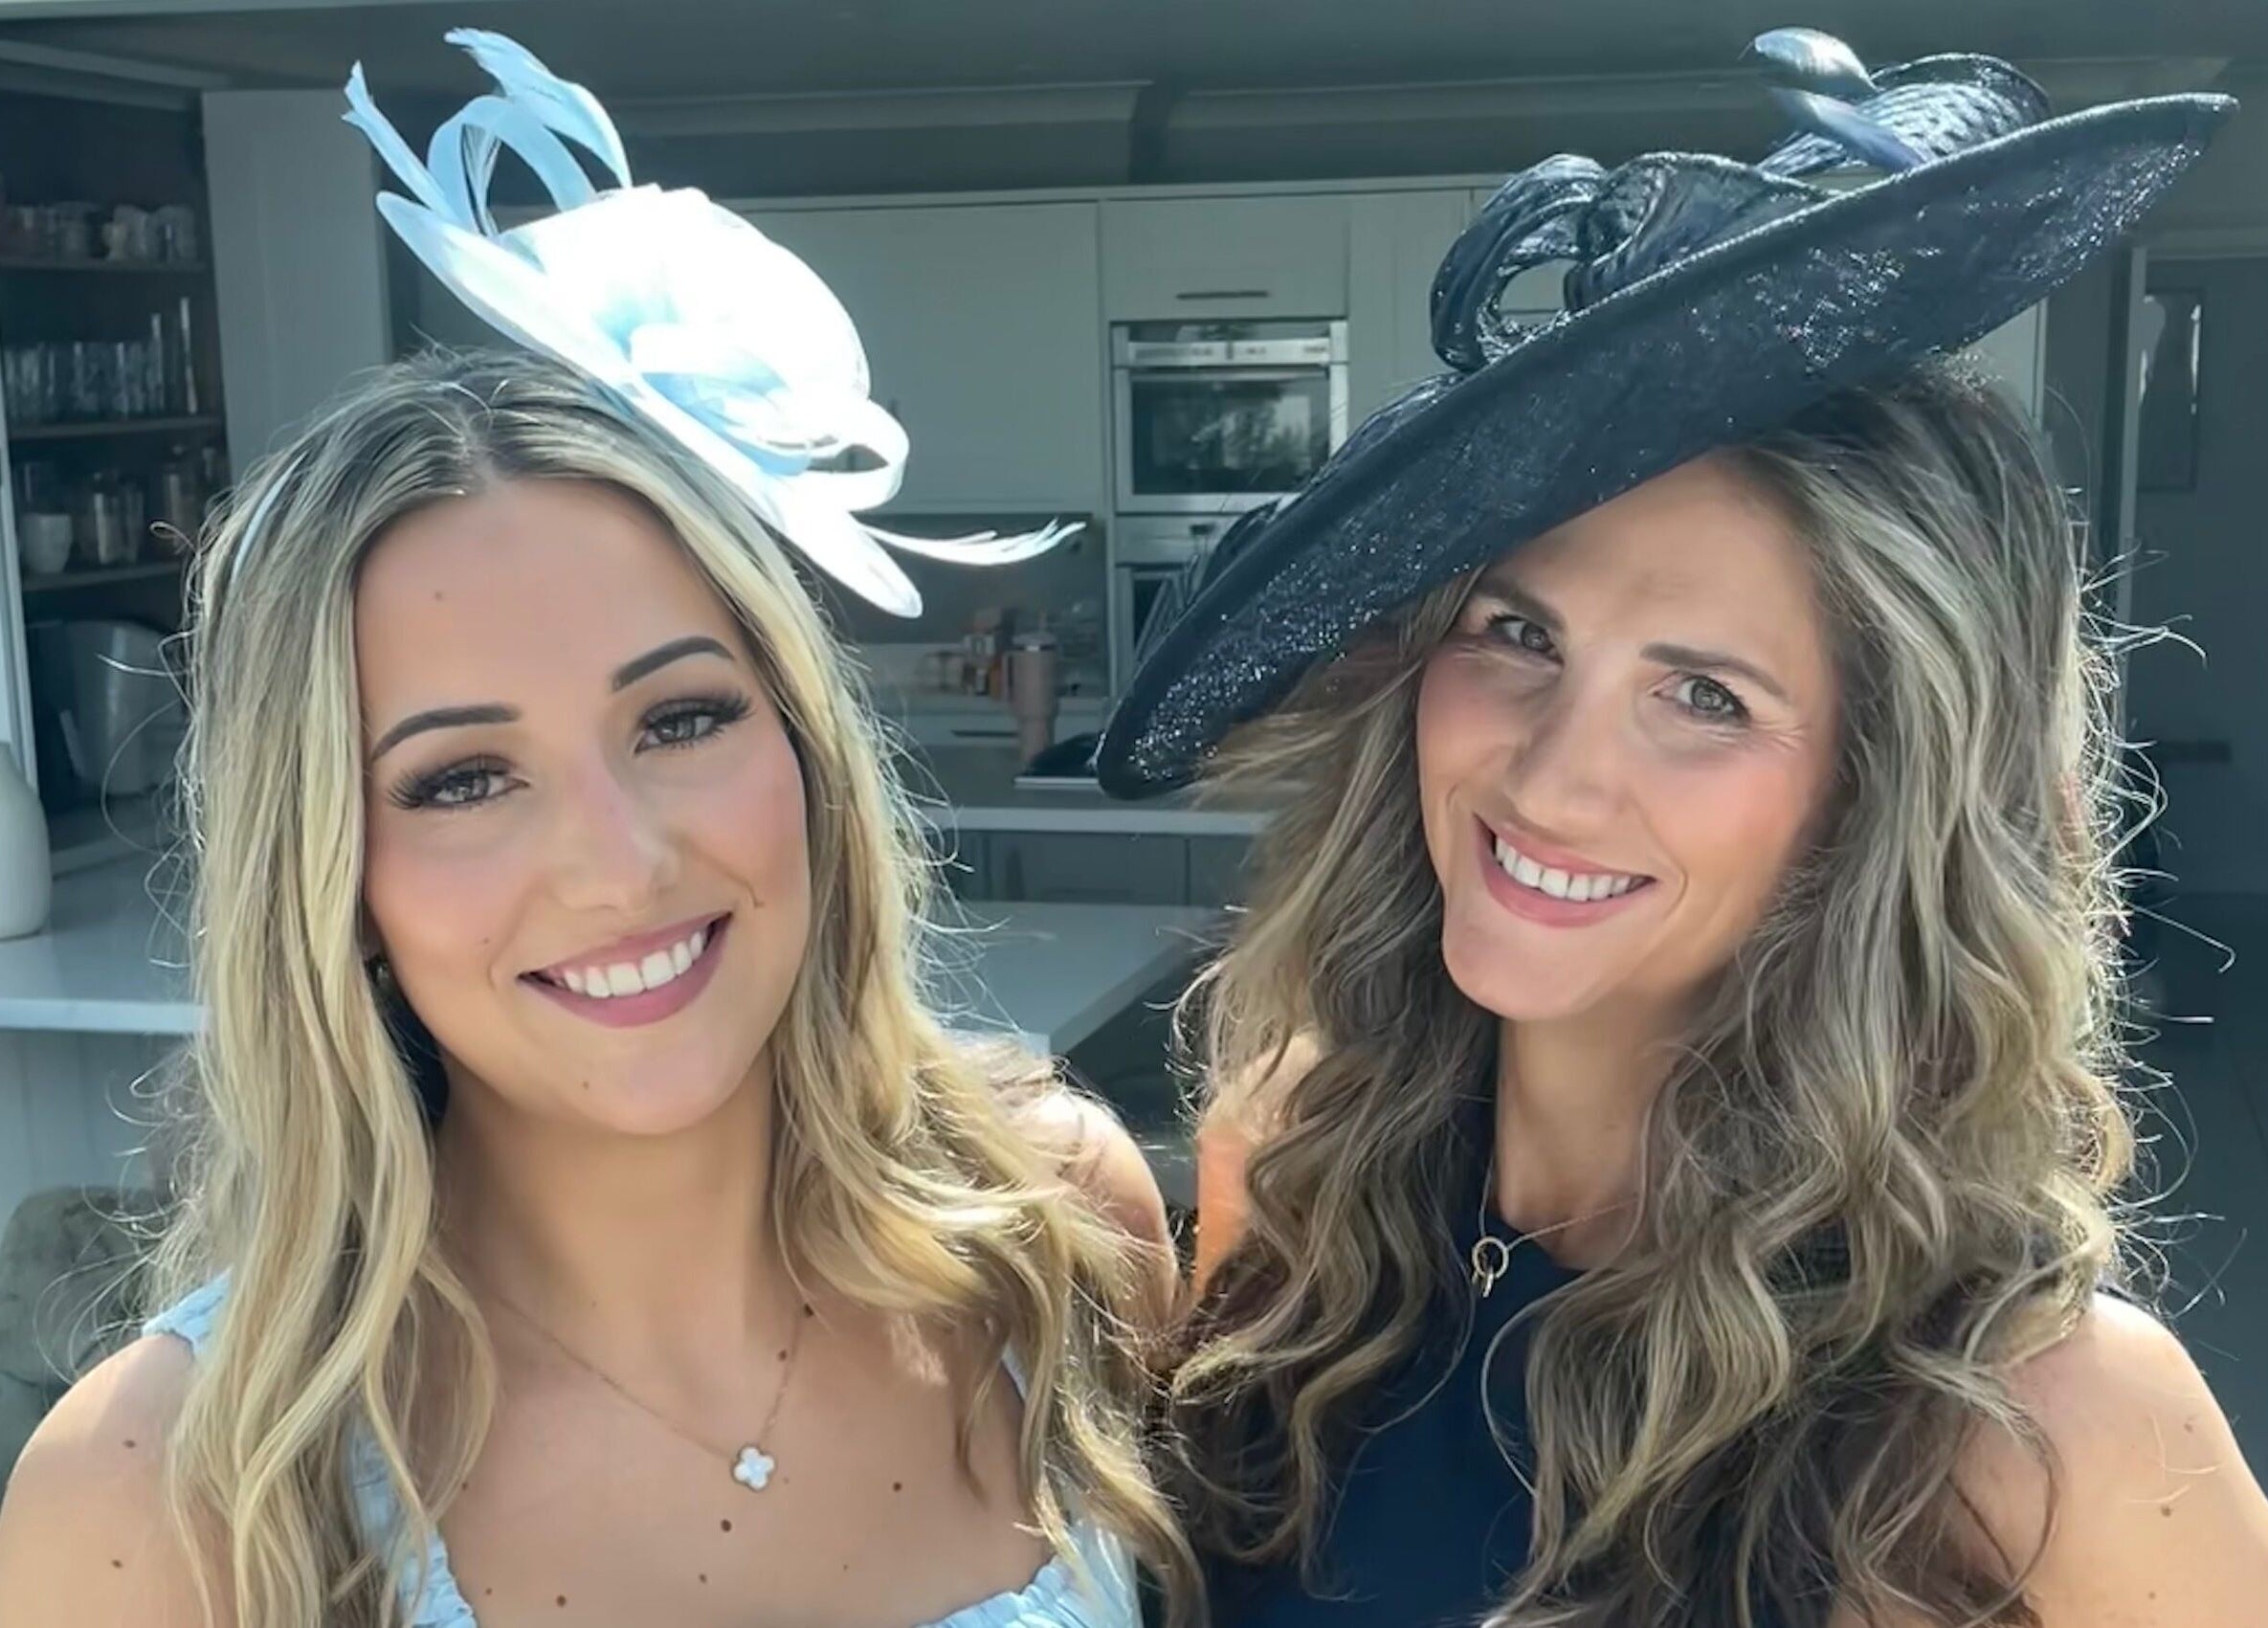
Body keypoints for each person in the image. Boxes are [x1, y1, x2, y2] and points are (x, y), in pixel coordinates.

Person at [0, 33, 1196, 1628]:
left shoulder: (1060, 1229)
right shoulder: (159, 1498)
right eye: (460, 779)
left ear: (806, 747)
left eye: (680, 718)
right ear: (333, 880)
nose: (620, 863)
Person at [1094, 29, 2268, 1628]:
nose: (1553, 777)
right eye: (1517, 632)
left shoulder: (2042, 1420)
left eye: (1704, 694)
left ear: (1881, 788)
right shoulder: (1299, 1180)